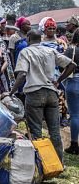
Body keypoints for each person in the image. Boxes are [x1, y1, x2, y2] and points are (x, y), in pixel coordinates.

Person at [9, 30, 76, 163]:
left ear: (28, 38)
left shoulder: (26, 52)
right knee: (55, 132)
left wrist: (12, 92)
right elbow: (71, 65)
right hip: (52, 94)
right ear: (40, 39)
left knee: (36, 132)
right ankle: (58, 163)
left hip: (34, 93)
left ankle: (39, 165)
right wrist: (59, 81)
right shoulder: (50, 51)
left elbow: (22, 74)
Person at [64, 31, 79, 154]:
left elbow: (62, 66)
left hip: (74, 81)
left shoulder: (71, 50)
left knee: (75, 115)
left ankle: (74, 144)